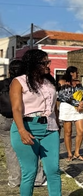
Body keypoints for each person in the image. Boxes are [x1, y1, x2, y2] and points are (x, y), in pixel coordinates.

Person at [10, 49, 74, 196]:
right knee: (29, 173)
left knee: (53, 170)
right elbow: (16, 109)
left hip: (50, 129)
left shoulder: (49, 82)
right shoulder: (19, 82)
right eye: (44, 63)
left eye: (48, 62)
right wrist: (22, 130)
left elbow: (53, 106)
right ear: (33, 64)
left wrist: (57, 125)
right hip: (27, 128)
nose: (48, 66)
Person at [0, 60, 46, 188]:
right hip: (23, 118)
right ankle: (38, 179)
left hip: (4, 118)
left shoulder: (2, 84)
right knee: (33, 147)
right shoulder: (26, 84)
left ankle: (15, 180)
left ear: (9, 71)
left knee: (10, 150)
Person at [57, 66, 83, 161]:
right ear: (71, 73)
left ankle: (77, 152)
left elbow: (82, 95)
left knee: (81, 131)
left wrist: (82, 103)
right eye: (76, 72)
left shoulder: (78, 83)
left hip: (78, 108)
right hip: (67, 107)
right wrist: (77, 103)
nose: (77, 74)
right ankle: (69, 153)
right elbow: (62, 97)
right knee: (68, 131)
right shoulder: (62, 82)